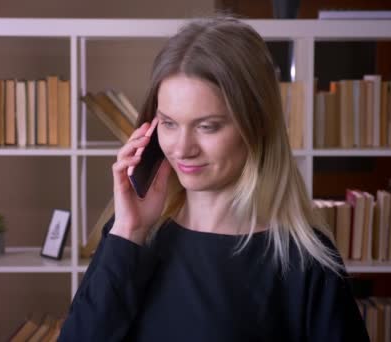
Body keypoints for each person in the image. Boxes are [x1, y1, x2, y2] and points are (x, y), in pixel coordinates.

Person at [59, 15, 369, 342]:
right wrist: (128, 231)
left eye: (207, 126)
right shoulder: (132, 237)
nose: (182, 148)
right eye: (168, 123)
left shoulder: (304, 259)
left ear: (257, 126)